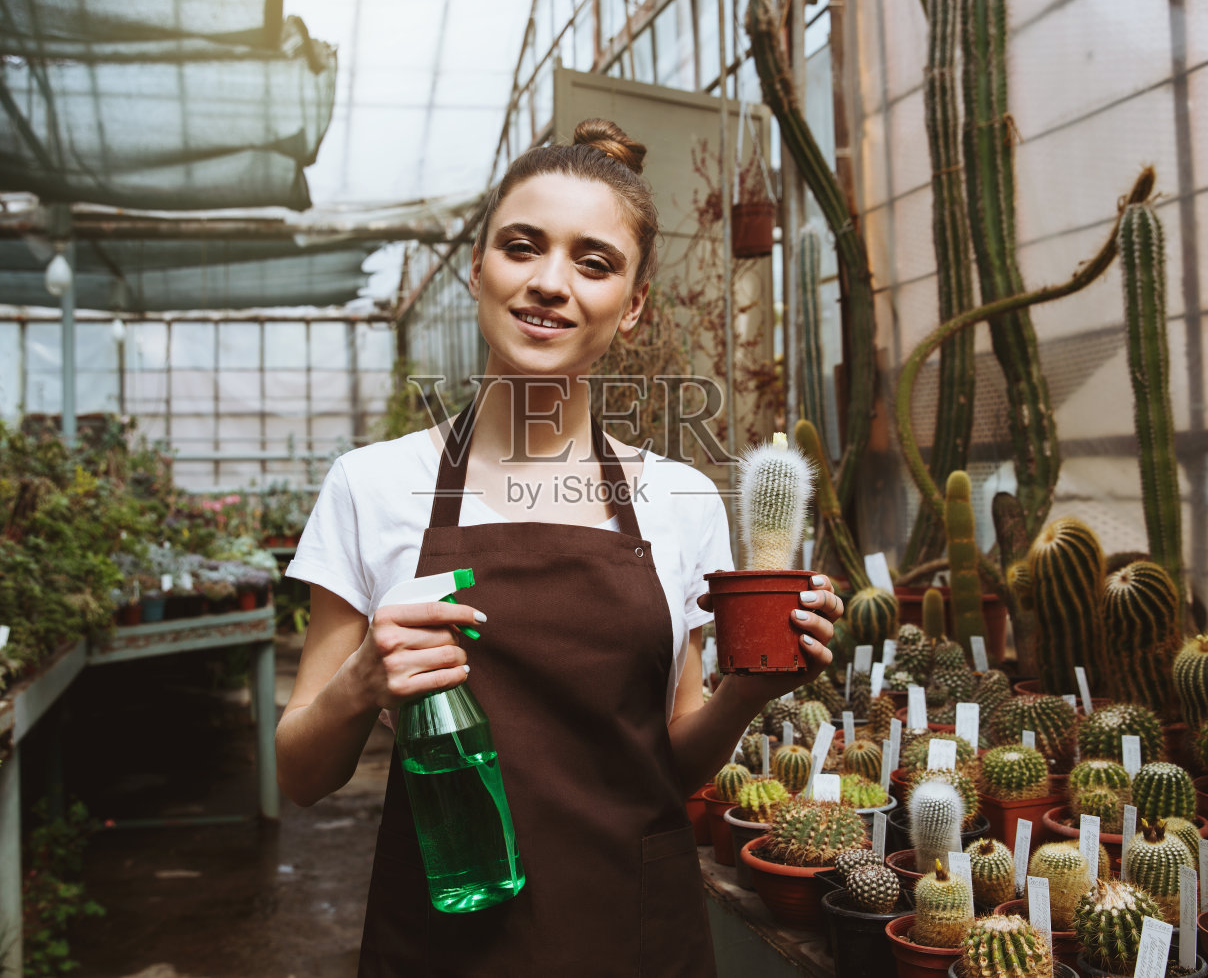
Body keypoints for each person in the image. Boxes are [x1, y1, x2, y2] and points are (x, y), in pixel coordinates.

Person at [275, 118, 843, 976]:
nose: (550, 284)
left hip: (634, 933)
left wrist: (750, 693)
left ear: (635, 303)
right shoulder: (372, 484)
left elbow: (672, 754)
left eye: (594, 261)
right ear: (477, 267)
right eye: (522, 246)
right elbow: (302, 775)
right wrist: (361, 682)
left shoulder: (680, 499)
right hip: (444, 940)